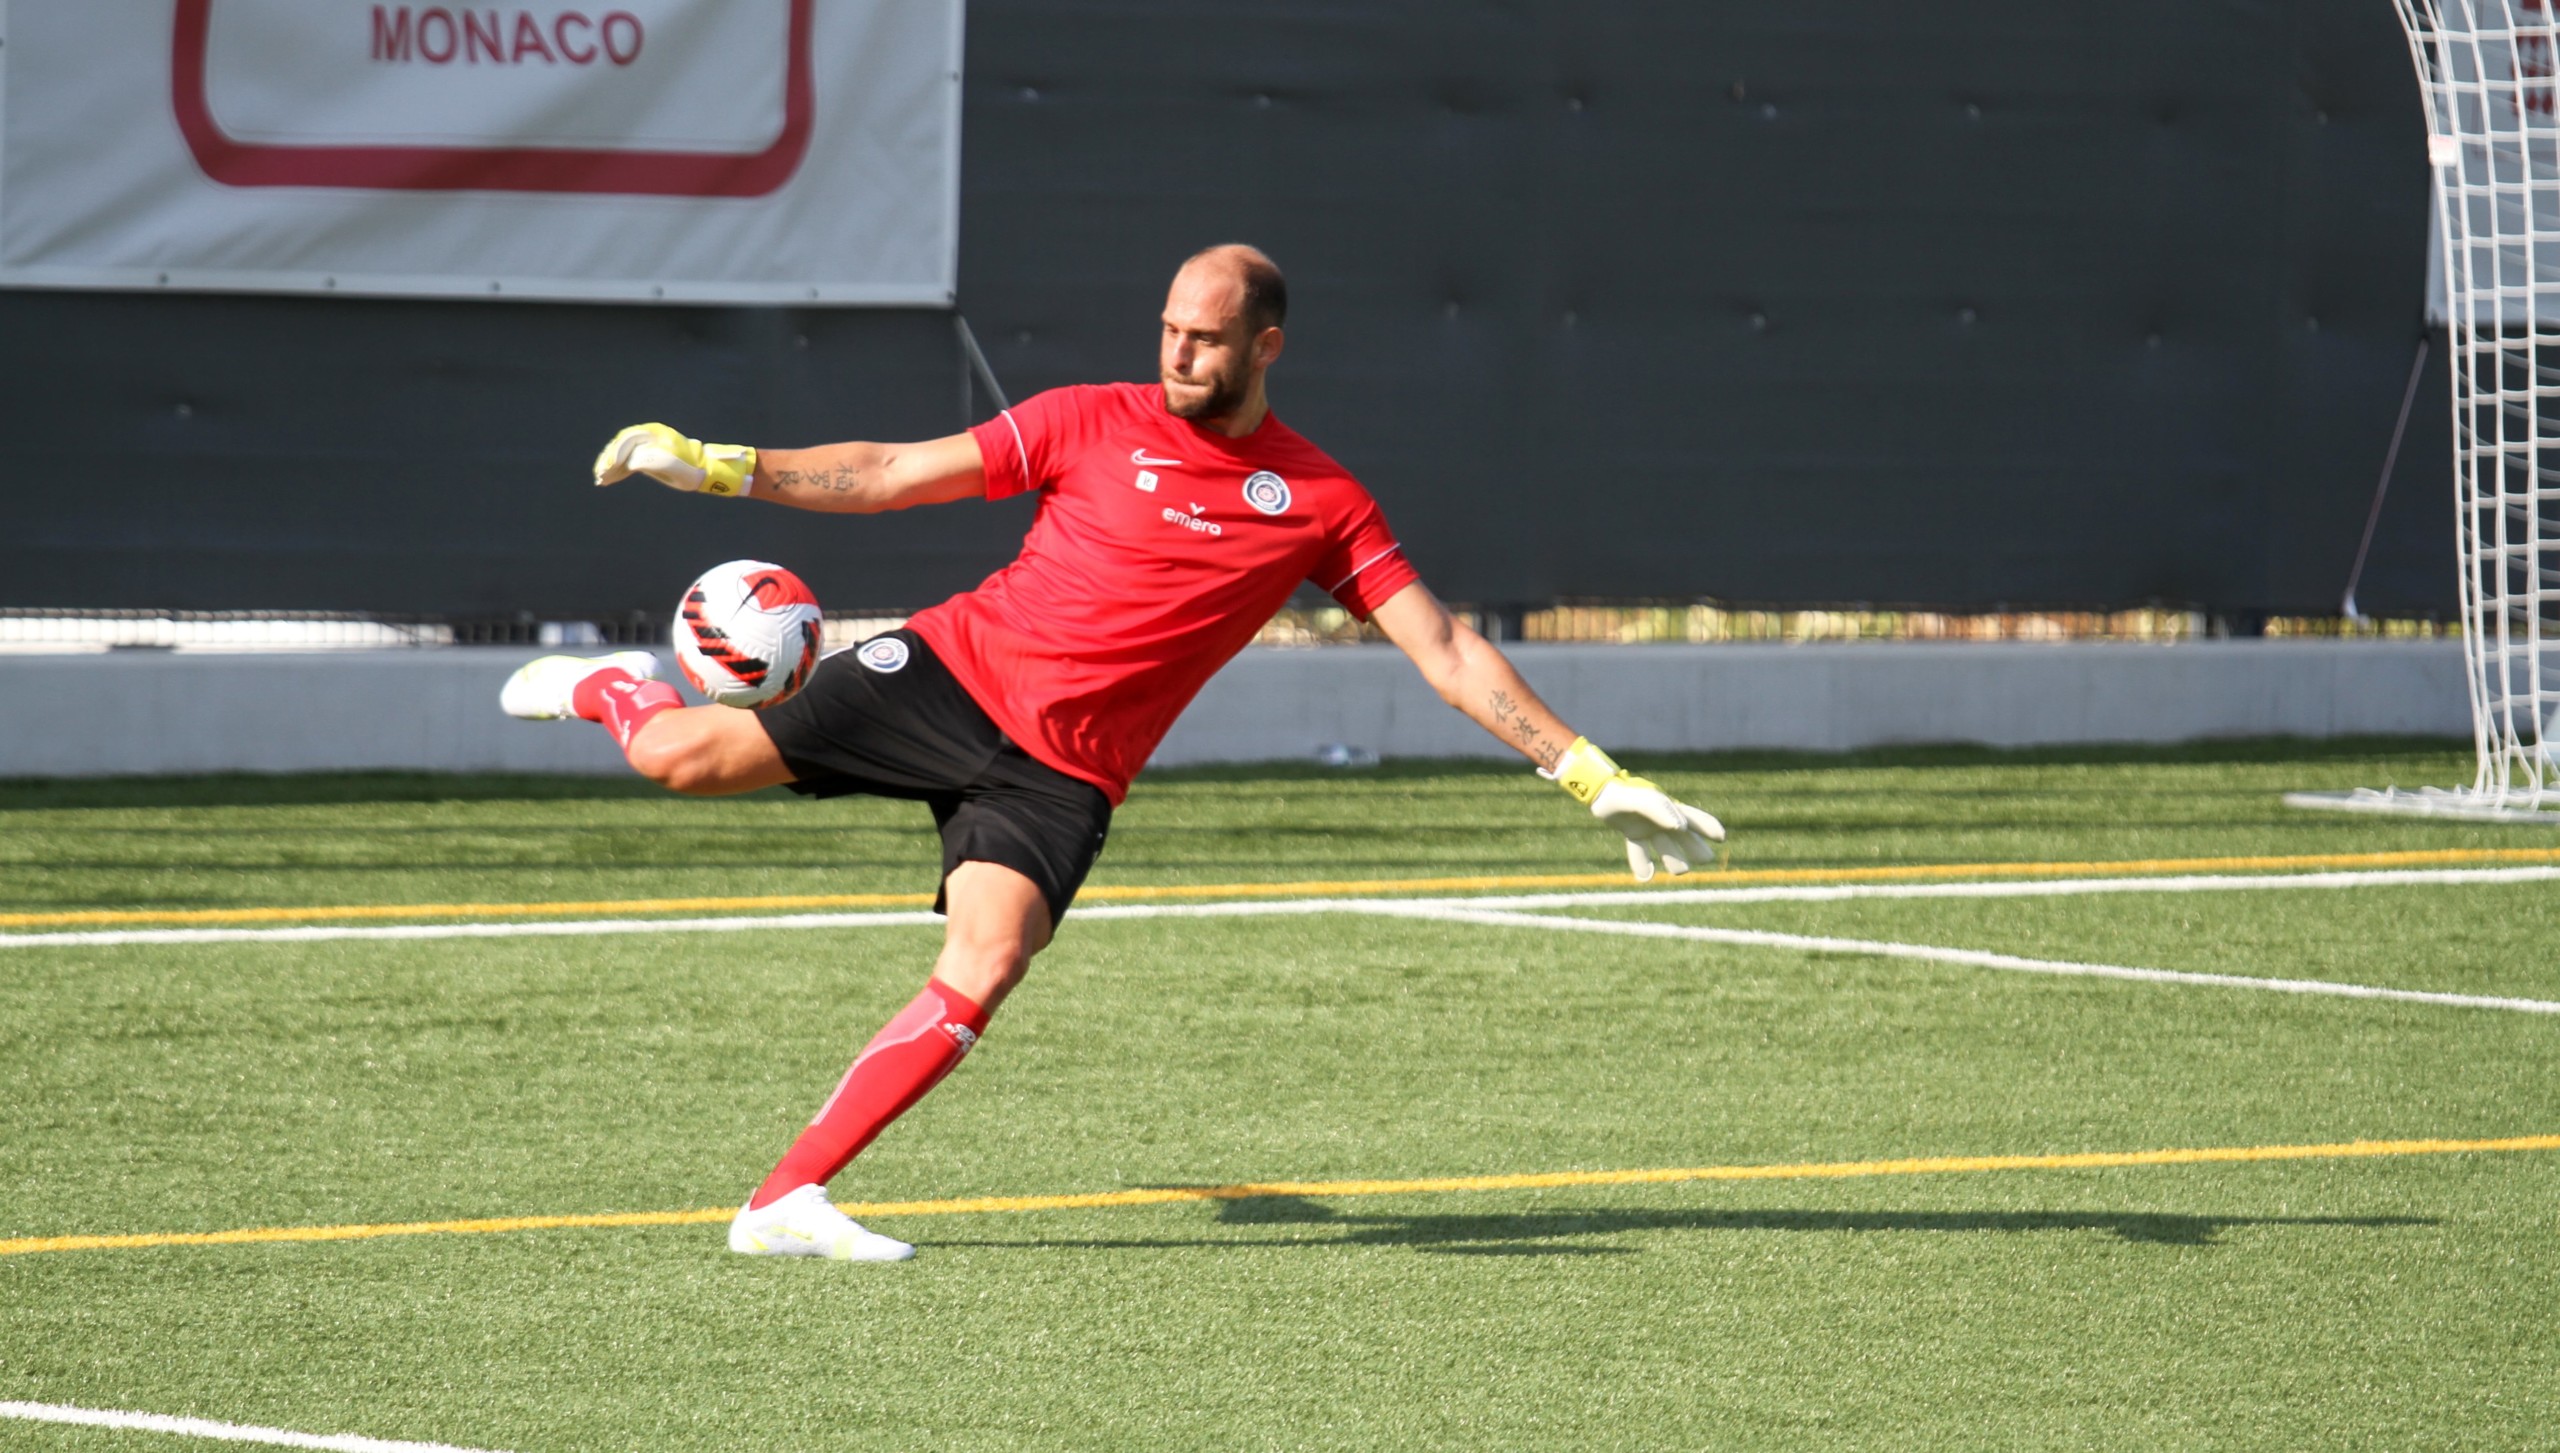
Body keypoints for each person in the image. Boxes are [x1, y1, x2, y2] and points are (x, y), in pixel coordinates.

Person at [501, 244, 1724, 1262]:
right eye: (1168, 329)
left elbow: (1446, 650)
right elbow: (886, 476)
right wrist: (714, 466)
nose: (1176, 353)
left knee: (986, 963)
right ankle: (612, 688)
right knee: (680, 760)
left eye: (1203, 337)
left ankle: (781, 1202)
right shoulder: (1086, 421)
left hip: (1065, 774)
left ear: (1265, 348)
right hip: (951, 676)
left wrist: (1590, 773)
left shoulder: (1321, 501)